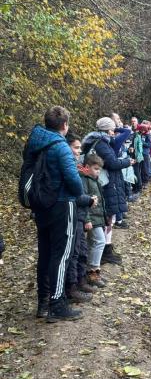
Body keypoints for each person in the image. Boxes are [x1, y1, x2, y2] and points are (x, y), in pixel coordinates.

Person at [25, 106, 84, 322]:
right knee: (62, 255)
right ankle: (57, 303)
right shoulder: (61, 147)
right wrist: (78, 189)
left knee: (46, 253)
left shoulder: (35, 141)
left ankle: (43, 302)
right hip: (62, 204)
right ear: (65, 125)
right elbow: (74, 183)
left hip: (41, 204)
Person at [82, 117, 134, 265]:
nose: (113, 132)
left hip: (105, 184)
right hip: (105, 185)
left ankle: (106, 248)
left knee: (108, 218)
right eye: (111, 129)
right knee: (105, 218)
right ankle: (102, 252)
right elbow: (112, 163)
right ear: (106, 130)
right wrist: (127, 162)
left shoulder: (100, 141)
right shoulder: (102, 144)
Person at [65, 134, 97, 304]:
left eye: (79, 148)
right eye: (76, 148)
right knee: (74, 252)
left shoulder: (78, 167)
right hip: (74, 215)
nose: (78, 151)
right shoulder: (69, 167)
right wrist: (89, 200)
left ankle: (80, 281)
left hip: (81, 215)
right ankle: (72, 288)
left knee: (82, 251)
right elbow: (75, 195)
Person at [79, 154, 107, 288]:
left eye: (99, 169)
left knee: (92, 243)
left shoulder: (95, 180)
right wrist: (87, 219)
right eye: (95, 169)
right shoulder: (84, 180)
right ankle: (93, 271)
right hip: (91, 219)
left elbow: (100, 203)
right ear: (87, 167)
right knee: (100, 241)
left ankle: (91, 271)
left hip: (97, 218)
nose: (98, 171)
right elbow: (84, 201)